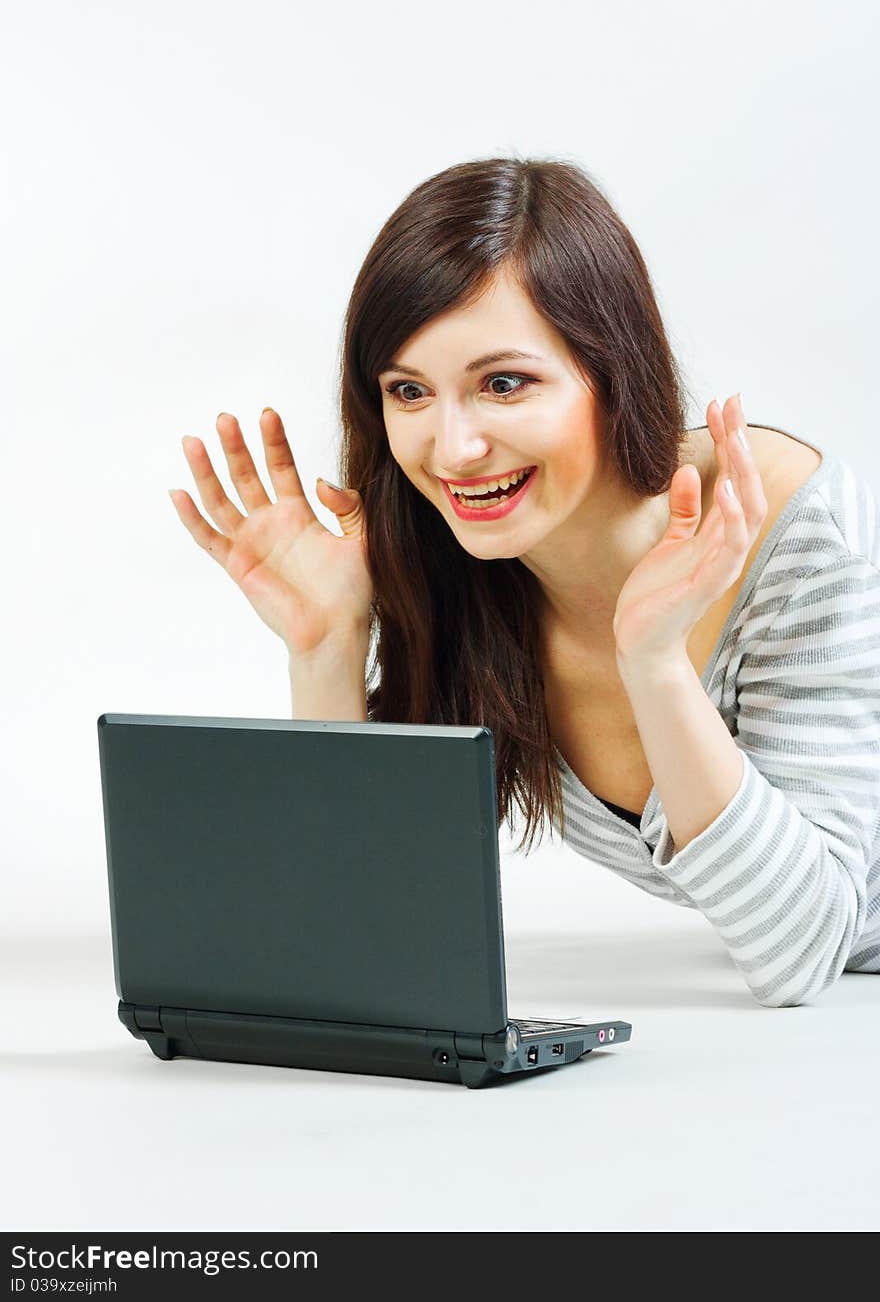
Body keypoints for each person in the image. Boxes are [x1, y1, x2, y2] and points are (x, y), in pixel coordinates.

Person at [168, 155, 880, 1009]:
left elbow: (801, 947)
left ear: (611, 371)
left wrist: (652, 663)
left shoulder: (786, 528)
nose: (454, 448)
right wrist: (327, 649)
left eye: (503, 384)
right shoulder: (468, 565)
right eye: (409, 391)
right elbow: (362, 940)